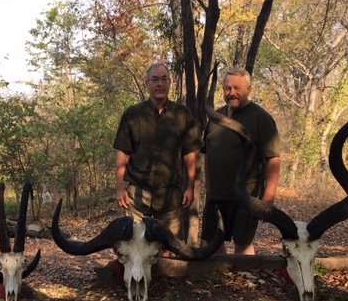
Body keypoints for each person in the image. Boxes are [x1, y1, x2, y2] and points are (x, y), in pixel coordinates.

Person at [113, 62, 202, 239]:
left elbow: (190, 154)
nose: (159, 84)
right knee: (135, 243)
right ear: (147, 84)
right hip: (137, 192)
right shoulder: (133, 114)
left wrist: (190, 186)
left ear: (170, 82)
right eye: (154, 79)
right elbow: (123, 153)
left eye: (163, 79)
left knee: (169, 245)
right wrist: (120, 187)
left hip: (170, 192)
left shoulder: (182, 114)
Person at [202, 67, 280, 255]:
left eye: (237, 88)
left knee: (242, 244)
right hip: (215, 196)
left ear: (249, 89)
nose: (231, 93)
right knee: (210, 242)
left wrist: (268, 198)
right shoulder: (215, 117)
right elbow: (207, 153)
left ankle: (244, 281)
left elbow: (273, 159)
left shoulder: (261, 118)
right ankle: (220, 281)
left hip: (246, 196)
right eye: (227, 88)